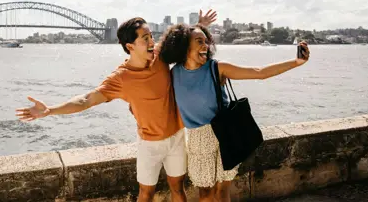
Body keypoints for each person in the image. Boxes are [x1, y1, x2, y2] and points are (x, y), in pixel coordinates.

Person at [15, 11, 217, 202]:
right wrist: (50, 110)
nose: (151, 42)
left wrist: (200, 25)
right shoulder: (121, 78)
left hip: (176, 136)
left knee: (177, 188)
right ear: (130, 46)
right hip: (150, 144)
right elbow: (87, 99)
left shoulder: (160, 56)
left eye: (151, 36)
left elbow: (181, 39)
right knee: (146, 194)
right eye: (145, 38)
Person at [159, 23, 310, 202]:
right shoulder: (173, 74)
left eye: (206, 42)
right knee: (205, 193)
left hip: (226, 133)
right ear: (183, 45)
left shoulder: (217, 68)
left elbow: (259, 73)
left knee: (222, 191)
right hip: (198, 138)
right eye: (199, 41)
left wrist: (296, 62)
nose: (205, 46)